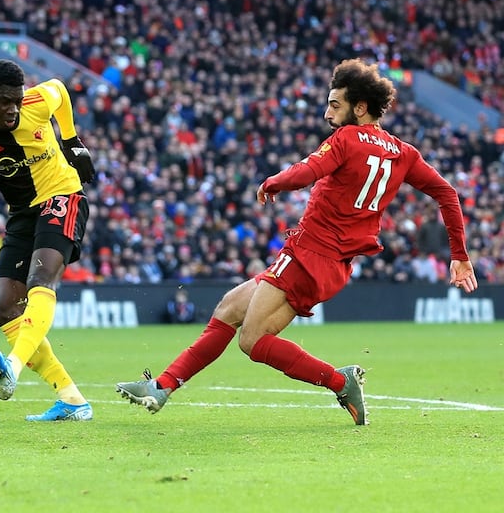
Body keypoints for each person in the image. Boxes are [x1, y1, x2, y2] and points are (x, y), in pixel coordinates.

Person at [117, 58, 479, 426]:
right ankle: (162, 386)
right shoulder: (404, 153)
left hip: (308, 255)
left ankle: (341, 381)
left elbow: (308, 170)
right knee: (228, 308)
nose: (327, 113)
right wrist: (459, 256)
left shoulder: (347, 138)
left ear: (360, 107)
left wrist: (273, 181)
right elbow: (447, 194)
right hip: (330, 264)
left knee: (252, 341)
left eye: (334, 104)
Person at [0, 59, 96, 422]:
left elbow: (60, 90)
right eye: (4, 101)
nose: (14, 108)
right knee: (4, 308)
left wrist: (72, 139)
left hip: (63, 195)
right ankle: (72, 399)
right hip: (21, 212)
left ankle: (12, 367)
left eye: (17, 99)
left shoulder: (35, 101)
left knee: (41, 279)